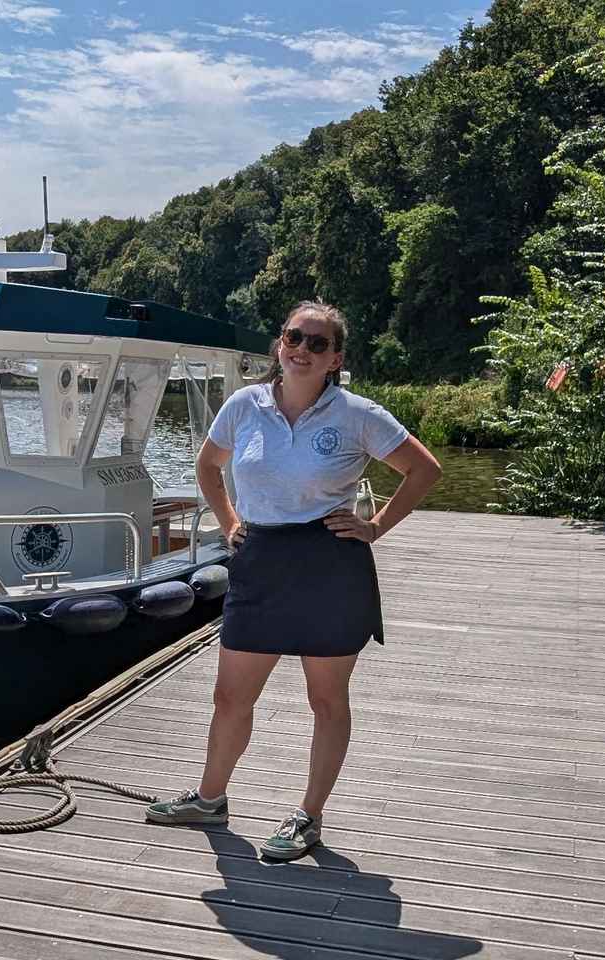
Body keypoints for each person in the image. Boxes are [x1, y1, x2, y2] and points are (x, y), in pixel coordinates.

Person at [145, 300, 442, 861]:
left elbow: (424, 469)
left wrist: (374, 527)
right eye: (293, 337)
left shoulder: (358, 414)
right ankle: (210, 799)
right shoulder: (245, 405)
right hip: (260, 560)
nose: (302, 349)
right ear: (280, 343)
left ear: (336, 359)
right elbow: (208, 466)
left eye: (317, 343)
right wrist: (230, 522)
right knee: (230, 695)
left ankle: (309, 816)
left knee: (325, 699)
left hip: (329, 565)